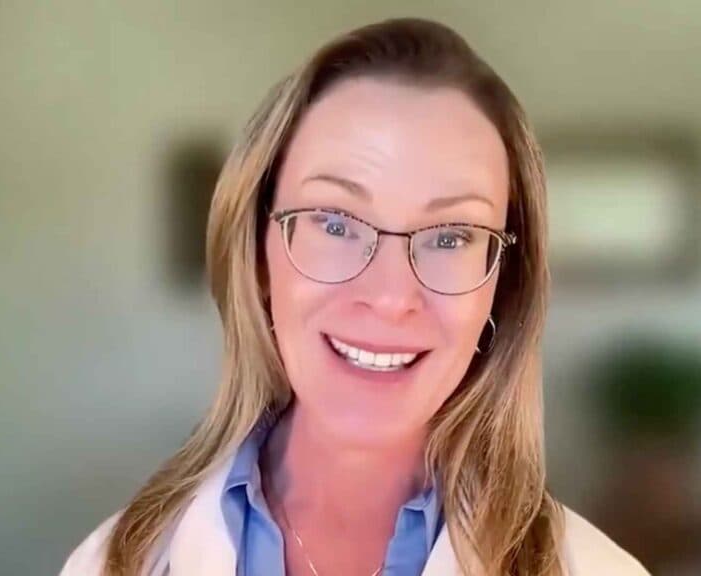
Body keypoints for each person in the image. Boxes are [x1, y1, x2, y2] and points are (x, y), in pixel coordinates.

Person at [61, 18, 649, 576]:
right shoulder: (116, 562)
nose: (391, 297)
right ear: (258, 253)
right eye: (336, 222)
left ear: (501, 284)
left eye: (451, 236)